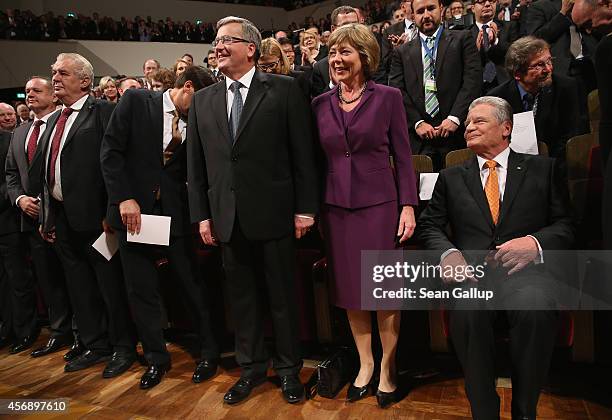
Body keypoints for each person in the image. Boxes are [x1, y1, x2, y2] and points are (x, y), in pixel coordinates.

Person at [187, 16, 319, 405]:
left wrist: (306, 210)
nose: (219, 46)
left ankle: (290, 370)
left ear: (251, 48)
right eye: (216, 40)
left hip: (275, 214)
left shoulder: (284, 89)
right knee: (242, 300)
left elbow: (303, 156)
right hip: (226, 217)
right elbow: (196, 168)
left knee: (282, 297)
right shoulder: (202, 100)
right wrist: (202, 216)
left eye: (227, 39)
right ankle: (251, 368)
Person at [418, 96, 574, 420]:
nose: (469, 127)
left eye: (479, 121)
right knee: (468, 313)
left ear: (506, 128)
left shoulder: (543, 169)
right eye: (468, 122)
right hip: (472, 278)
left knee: (535, 308)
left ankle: (524, 411)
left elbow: (568, 225)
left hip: (527, 274)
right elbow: (430, 226)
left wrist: (535, 243)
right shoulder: (451, 177)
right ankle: (484, 413)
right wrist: (448, 254)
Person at [312, 23, 418, 409]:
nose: (337, 60)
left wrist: (407, 205)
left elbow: (404, 157)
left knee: (383, 290)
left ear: (364, 57)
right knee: (352, 290)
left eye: (346, 52)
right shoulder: (319, 103)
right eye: (333, 53)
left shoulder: (388, 97)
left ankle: (389, 369)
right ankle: (365, 364)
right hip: (336, 207)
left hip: (380, 206)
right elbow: (317, 159)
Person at [101, 66, 219, 390]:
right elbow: (110, 152)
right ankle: (156, 358)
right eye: (202, 98)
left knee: (191, 286)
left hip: (174, 216)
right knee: (142, 291)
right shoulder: (137, 101)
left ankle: (209, 353)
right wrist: (123, 198)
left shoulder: (195, 121)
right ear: (189, 87)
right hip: (133, 216)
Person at [39, 53, 136, 377]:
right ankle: (95, 344)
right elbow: (48, 173)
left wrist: (112, 210)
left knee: (110, 287)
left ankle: (123, 347)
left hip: (99, 220)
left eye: (62, 73)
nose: (55, 78)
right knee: (79, 287)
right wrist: (49, 216)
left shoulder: (104, 111)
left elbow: (117, 164)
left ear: (84, 80)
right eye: (53, 72)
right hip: (64, 219)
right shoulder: (54, 119)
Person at [5, 76, 74, 358]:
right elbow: (11, 174)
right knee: (48, 280)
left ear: (53, 96)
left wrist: (48, 206)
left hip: (64, 217)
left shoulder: (64, 123)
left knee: (75, 280)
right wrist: (20, 199)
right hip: (31, 220)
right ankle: (59, 333)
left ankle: (85, 334)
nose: (29, 94)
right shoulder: (21, 131)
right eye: (27, 90)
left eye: (37, 90)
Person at [389, 0, 482, 170]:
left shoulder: (463, 39)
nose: (426, 15)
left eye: (431, 9)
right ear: (413, 15)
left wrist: (455, 117)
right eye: (420, 11)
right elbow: (396, 90)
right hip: (420, 139)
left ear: (441, 8)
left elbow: (472, 81)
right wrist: (417, 122)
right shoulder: (401, 52)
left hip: (458, 134)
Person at [488, 36, 579, 173]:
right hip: (514, 170)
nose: (548, 69)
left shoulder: (567, 88)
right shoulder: (498, 98)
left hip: (558, 166)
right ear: (518, 74)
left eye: (549, 61)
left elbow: (572, 133)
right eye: (539, 65)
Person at [469, 0, 519, 92]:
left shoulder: (509, 26)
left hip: (506, 84)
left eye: (492, 1)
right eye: (481, 1)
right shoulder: (466, 34)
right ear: (473, 8)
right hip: (477, 87)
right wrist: (476, 50)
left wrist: (495, 41)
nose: (488, 4)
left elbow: (516, 53)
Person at [311, 6, 360, 98]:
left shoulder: (371, 55)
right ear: (333, 29)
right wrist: (332, 85)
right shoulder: (321, 68)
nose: (351, 29)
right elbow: (318, 105)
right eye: (345, 25)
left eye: (355, 25)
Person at [380, 0, 418, 82]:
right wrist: (397, 50)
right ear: (403, 6)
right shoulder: (389, 32)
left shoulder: (427, 25)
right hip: (403, 82)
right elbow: (386, 64)